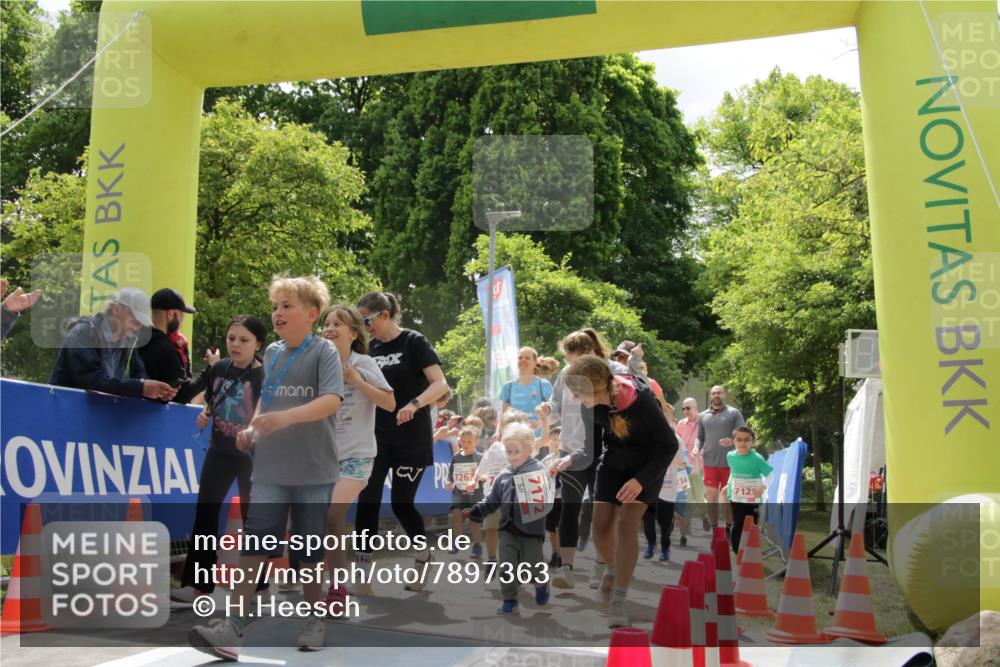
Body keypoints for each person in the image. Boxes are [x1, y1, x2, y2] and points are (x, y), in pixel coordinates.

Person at [188, 275, 344, 658]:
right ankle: (233, 626)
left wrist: (287, 419)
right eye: (275, 306)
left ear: (311, 313)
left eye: (287, 306)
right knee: (255, 540)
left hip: (313, 468)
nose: (278, 313)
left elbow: (331, 400)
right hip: (271, 468)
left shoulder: (324, 352)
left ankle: (313, 618)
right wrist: (252, 428)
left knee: (308, 548)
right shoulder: (272, 353)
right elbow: (267, 402)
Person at [562, 354, 678, 628]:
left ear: (596, 386)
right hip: (613, 463)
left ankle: (620, 600)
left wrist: (641, 481)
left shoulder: (641, 402)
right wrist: (568, 460)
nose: (576, 398)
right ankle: (611, 570)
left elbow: (669, 446)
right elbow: (590, 449)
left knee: (627, 525)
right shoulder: (589, 408)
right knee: (600, 529)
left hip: (647, 467)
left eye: (578, 392)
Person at [354, 292, 450, 591]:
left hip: (411, 436)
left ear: (384, 315)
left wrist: (414, 404)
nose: (364, 326)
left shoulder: (413, 341)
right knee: (367, 498)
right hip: (376, 434)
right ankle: (362, 569)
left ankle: (423, 556)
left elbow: (440, 384)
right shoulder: (368, 349)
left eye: (366, 320)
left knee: (401, 504)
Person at [172, 315, 267, 603]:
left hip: (253, 456)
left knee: (256, 519)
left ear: (258, 344)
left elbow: (266, 412)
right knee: (206, 513)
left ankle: (258, 588)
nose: (235, 345)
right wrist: (205, 414)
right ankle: (198, 585)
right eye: (231, 338)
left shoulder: (265, 376)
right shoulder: (220, 369)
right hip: (219, 451)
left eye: (244, 340)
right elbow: (213, 402)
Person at [539, 328, 627, 591]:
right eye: (567, 361)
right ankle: (567, 568)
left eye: (574, 360)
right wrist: (547, 410)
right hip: (570, 449)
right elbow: (557, 407)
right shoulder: (566, 375)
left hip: (604, 452)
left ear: (590, 353)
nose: (570, 367)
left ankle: (602, 567)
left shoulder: (613, 371)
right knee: (569, 508)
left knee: (602, 512)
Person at [320, 305, 395, 603]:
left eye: (337, 323)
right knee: (328, 523)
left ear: (353, 333)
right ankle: (336, 586)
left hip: (357, 455)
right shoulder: (318, 363)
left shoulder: (363, 362)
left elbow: (389, 402)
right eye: (326, 323)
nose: (329, 328)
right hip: (323, 455)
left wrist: (356, 381)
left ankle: (336, 588)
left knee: (331, 516)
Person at [465, 422, 552, 615]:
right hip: (507, 528)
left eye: (516, 451)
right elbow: (493, 499)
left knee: (532, 565)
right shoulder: (504, 474)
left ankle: (540, 581)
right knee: (506, 565)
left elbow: (546, 499)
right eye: (508, 451)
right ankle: (510, 600)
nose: (511, 455)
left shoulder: (537, 470)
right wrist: (478, 510)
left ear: (529, 449)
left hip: (531, 531)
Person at [49, 287, 176, 401]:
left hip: (99, 418)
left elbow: (140, 377)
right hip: (63, 413)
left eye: (141, 322)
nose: (137, 326)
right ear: (116, 309)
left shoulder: (129, 343)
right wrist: (140, 388)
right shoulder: (83, 332)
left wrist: (159, 393)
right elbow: (90, 380)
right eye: (134, 319)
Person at [694, 385, 746, 529]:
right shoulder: (703, 416)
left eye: (719, 393)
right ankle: (715, 529)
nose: (716, 395)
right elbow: (700, 437)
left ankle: (728, 527)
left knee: (728, 498)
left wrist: (732, 440)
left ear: (725, 395)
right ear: (710, 396)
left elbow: (743, 435)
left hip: (730, 463)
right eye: (713, 393)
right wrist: (696, 447)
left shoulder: (734, 413)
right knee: (711, 498)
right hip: (710, 462)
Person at [138, 288, 200, 402]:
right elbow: (183, 395)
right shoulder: (166, 350)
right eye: (181, 315)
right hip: (157, 417)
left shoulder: (138, 340)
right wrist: (212, 369)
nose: (182, 321)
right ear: (170, 314)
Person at [727, 426, 772, 553]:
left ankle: (750, 551)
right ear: (734, 441)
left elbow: (770, 475)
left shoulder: (757, 458)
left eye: (747, 440)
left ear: (752, 442)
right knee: (738, 523)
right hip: (736, 496)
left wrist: (763, 486)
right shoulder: (730, 456)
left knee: (751, 525)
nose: (743, 443)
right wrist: (728, 485)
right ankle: (738, 552)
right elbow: (733, 472)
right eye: (739, 439)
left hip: (753, 498)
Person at [445, 426, 483, 558]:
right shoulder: (456, 457)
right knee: (456, 515)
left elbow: (486, 474)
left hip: (475, 494)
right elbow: (450, 474)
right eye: (463, 441)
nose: (465, 444)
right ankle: (456, 541)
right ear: (459, 440)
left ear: (476, 442)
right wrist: (449, 481)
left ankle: (477, 545)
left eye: (469, 441)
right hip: (459, 493)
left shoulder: (480, 457)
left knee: (474, 521)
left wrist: (481, 477)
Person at [499, 346, 553, 433]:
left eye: (527, 358)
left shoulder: (543, 385)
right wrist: (498, 432)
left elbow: (554, 413)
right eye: (520, 358)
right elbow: (503, 415)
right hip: (514, 438)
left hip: (538, 439)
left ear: (535, 362)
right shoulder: (507, 387)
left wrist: (540, 424)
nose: (523, 360)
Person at [674, 397, 706, 529]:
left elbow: (707, 442)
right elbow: (676, 442)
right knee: (686, 496)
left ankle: (704, 517)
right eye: (683, 408)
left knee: (699, 495)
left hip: (698, 465)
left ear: (695, 408)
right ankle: (686, 526)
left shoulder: (704, 423)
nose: (685, 411)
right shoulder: (681, 424)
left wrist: (699, 455)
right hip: (683, 466)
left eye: (688, 408)